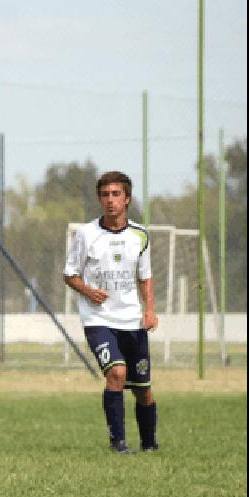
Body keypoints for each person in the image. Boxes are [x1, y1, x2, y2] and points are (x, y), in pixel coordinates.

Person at [63, 171, 159, 455]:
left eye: (116, 194)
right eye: (105, 195)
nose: (110, 200)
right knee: (116, 373)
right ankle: (118, 443)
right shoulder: (86, 234)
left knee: (143, 389)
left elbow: (145, 277)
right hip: (98, 320)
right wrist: (88, 291)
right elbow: (70, 274)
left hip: (132, 320)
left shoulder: (140, 236)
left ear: (127, 199)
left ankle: (149, 444)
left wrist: (150, 310)